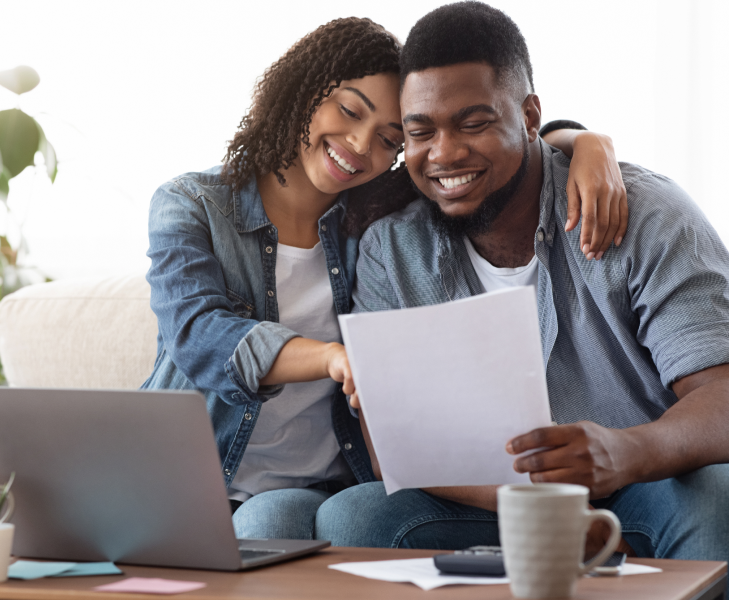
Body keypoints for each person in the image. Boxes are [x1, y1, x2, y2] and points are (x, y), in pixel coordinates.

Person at [141, 16, 628, 541]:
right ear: (302, 92)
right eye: (349, 110)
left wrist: (588, 144)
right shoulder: (193, 204)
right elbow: (198, 336)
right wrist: (332, 357)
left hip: (321, 481)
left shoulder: (375, 216)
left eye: (388, 138)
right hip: (197, 469)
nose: (357, 145)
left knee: (272, 520)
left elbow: (495, 151)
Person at [315, 1, 729, 562]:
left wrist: (627, 452)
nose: (444, 153)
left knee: (717, 495)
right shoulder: (392, 251)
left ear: (530, 116)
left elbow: (720, 396)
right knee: (354, 513)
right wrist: (536, 504)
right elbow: (397, 452)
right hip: (494, 504)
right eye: (421, 133)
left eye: (473, 122)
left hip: (644, 489)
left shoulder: (646, 214)